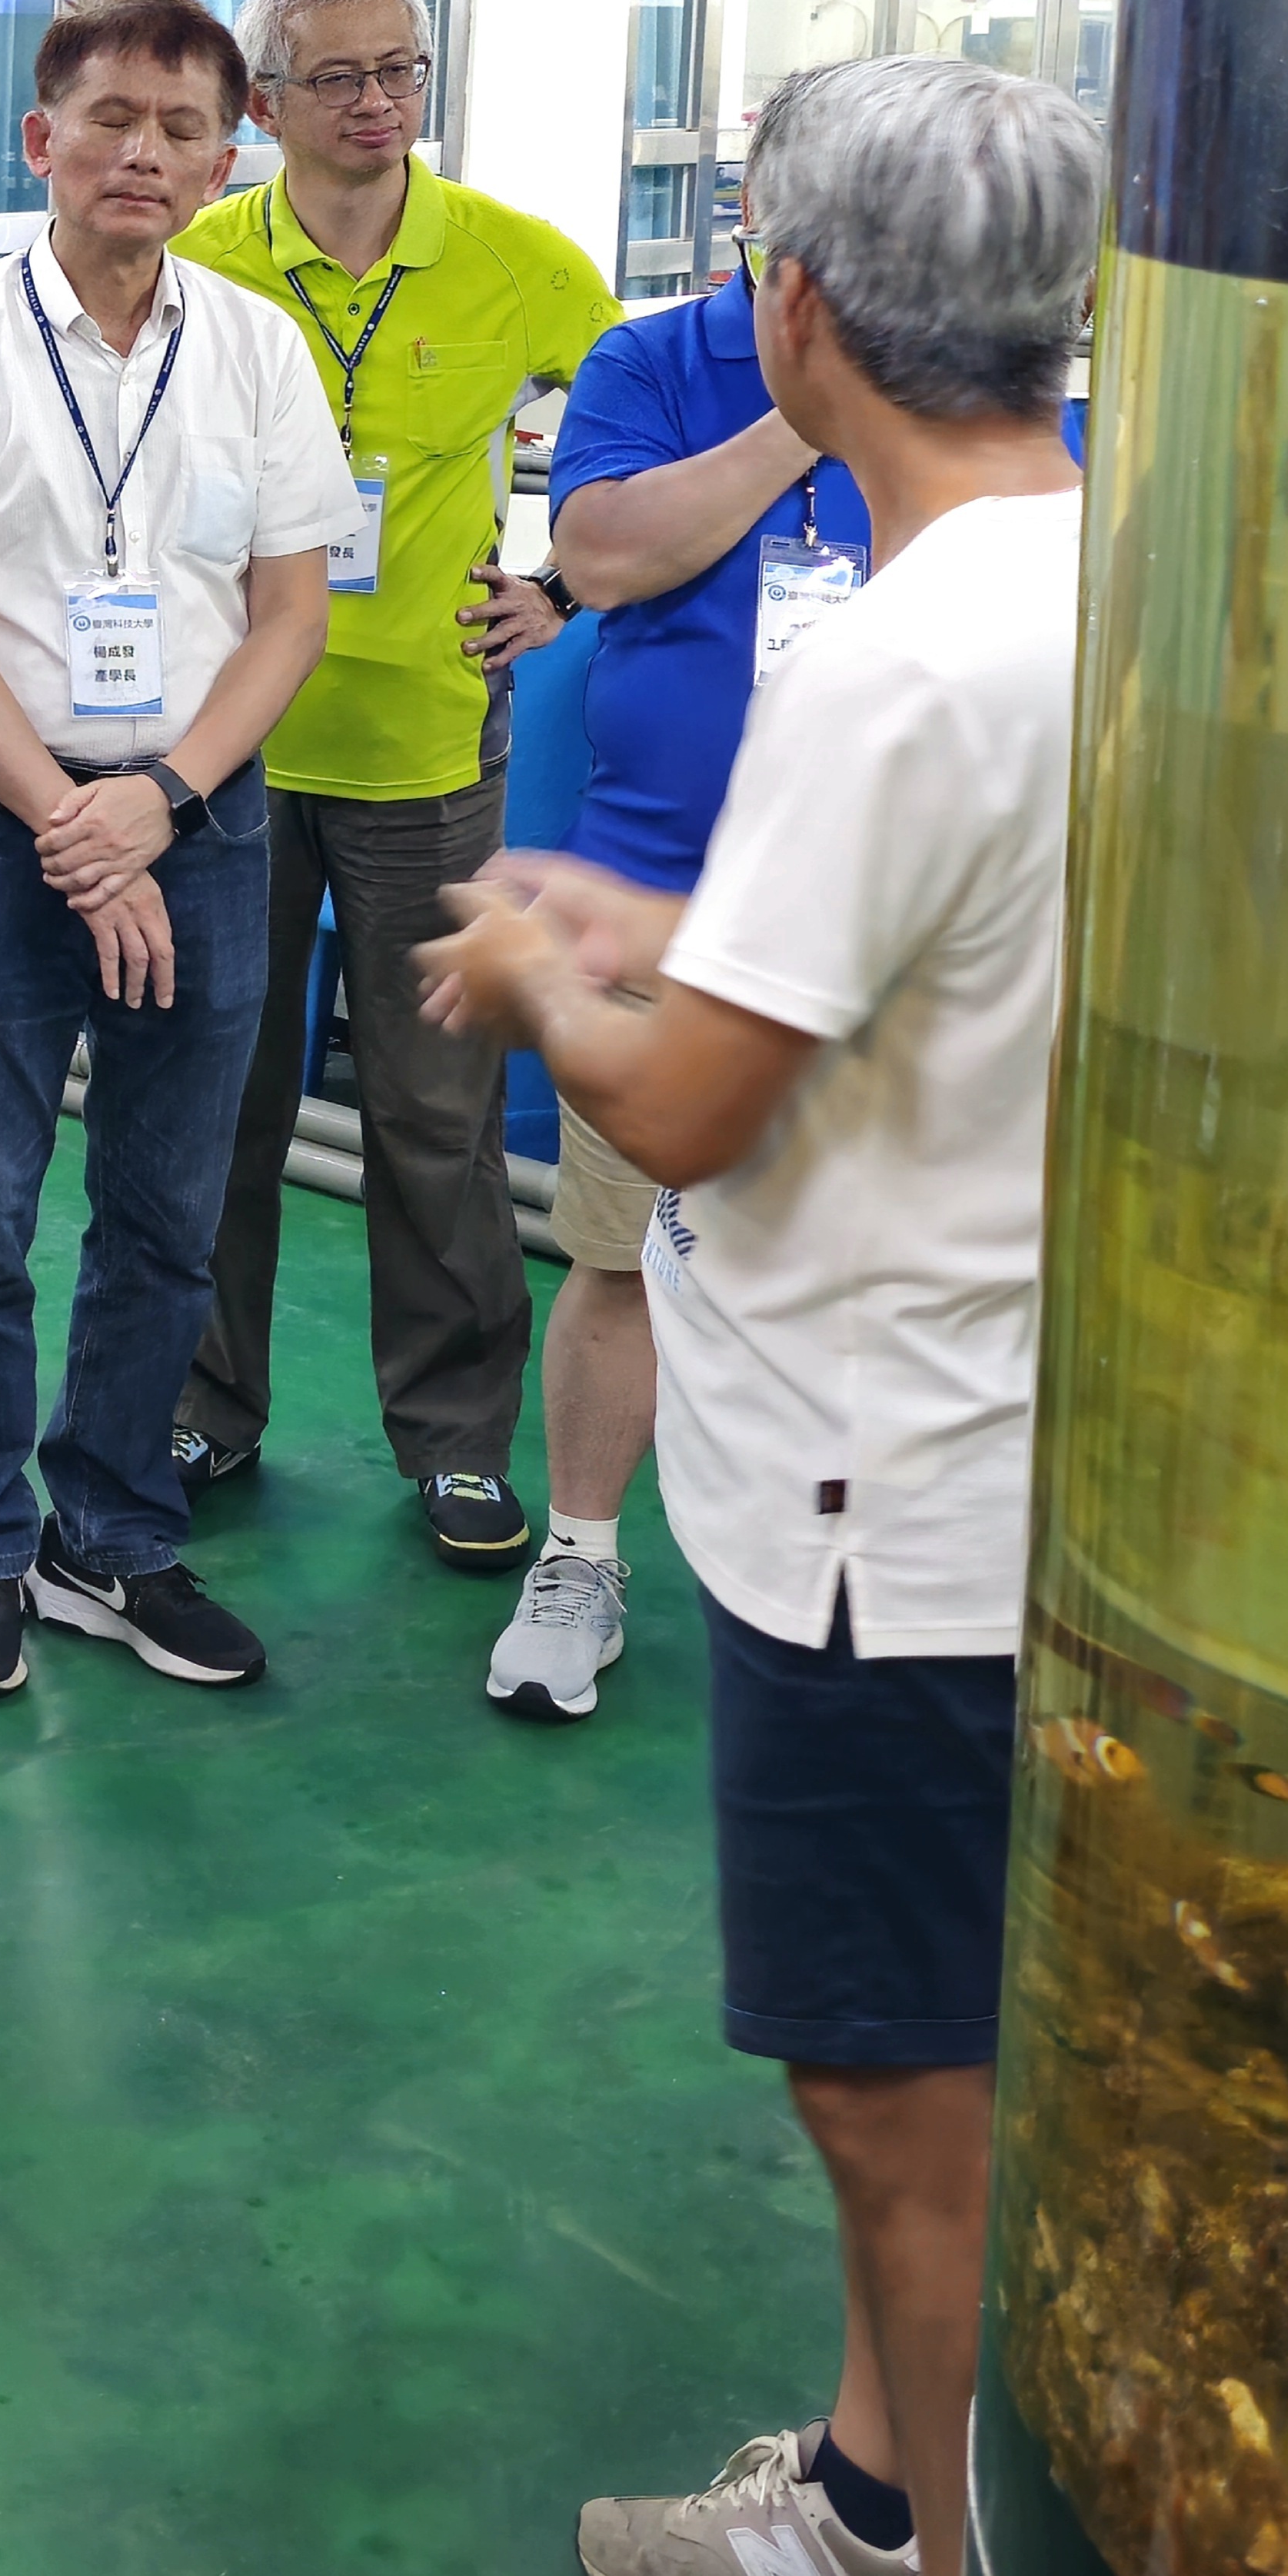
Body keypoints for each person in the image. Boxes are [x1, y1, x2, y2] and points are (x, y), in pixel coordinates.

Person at [415, 56, 1100, 2576]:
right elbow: (878, 982)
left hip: (878, 1497)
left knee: (898, 2105)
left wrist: (536, 960)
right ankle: (850, 2501)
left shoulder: (897, 648)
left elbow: (686, 1114)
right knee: (899, 2084)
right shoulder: (1096, 577)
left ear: (792, 304)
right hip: (982, 1431)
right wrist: (663, 941)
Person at [0, 0, 351, 1706]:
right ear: (40, 140)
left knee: (168, 1215)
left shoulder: (257, 351)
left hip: (195, 825)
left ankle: (112, 1537)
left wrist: (163, 806)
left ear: (225, 160)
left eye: (183, 127)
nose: (145, 152)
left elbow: (288, 615)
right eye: (111, 118)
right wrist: (76, 824)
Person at [167, 0, 614, 1571]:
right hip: (221, 751)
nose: (375, 104)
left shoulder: (513, 262)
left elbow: (642, 419)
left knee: (435, 1116)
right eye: (339, 77)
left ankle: (451, 1443)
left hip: (426, 750)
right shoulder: (204, 251)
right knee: (216, 1097)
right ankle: (202, 1404)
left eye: (401, 71)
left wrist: (559, 583)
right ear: (267, 102)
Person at [481, 238, 892, 1722]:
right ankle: (581, 1558)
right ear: (755, 224)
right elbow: (597, 558)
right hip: (665, 900)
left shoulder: (984, 389)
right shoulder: (653, 363)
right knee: (622, 1255)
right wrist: (808, 397)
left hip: (895, 916)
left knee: (889, 1279)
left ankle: (857, 1586)